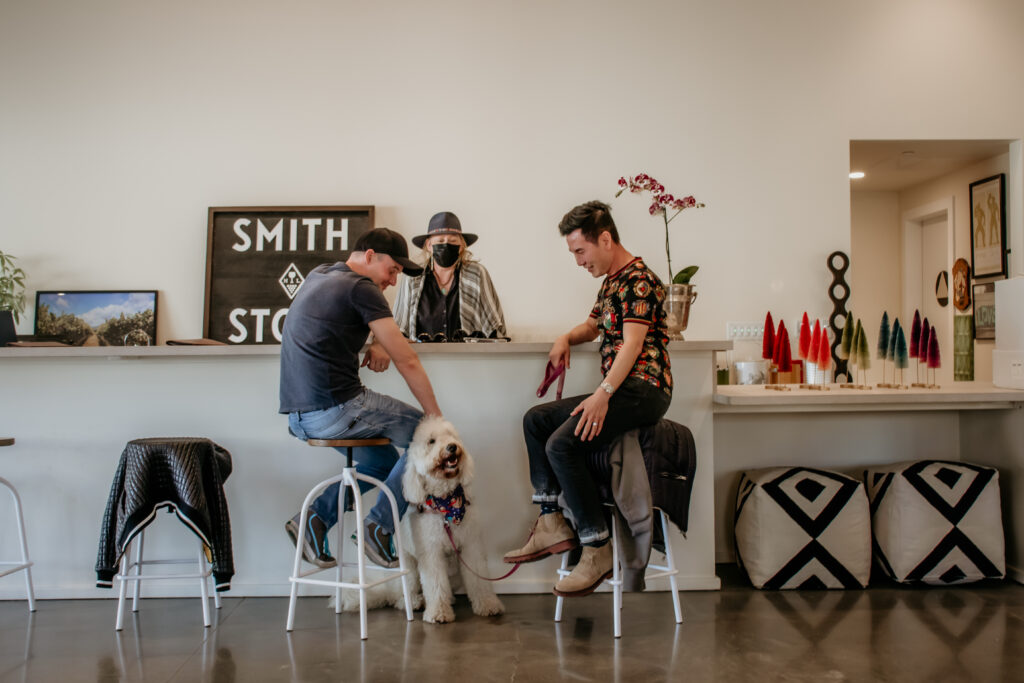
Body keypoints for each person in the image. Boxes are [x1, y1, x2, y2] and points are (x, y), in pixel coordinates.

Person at [502, 200, 673, 597]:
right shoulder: (611, 282)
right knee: (536, 420)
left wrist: (602, 394)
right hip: (620, 388)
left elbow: (632, 346)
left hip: (645, 390)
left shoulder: (640, 280)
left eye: (580, 251)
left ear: (606, 239)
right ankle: (551, 523)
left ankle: (596, 546)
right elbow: (593, 327)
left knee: (561, 445)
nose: (578, 261)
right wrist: (565, 337)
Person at [279, 228, 443, 570]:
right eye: (393, 270)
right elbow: (408, 360)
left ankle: (314, 520)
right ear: (370, 256)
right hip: (337, 407)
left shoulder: (320, 275)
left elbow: (363, 325)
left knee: (381, 464)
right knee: (428, 441)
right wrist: (437, 423)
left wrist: (377, 341)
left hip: (300, 417)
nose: (394, 281)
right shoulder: (361, 288)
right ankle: (380, 527)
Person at [392, 211, 507, 341]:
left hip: (468, 356)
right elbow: (399, 326)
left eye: (452, 241)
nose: (446, 245)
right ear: (429, 245)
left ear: (461, 246)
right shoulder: (413, 276)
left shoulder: (477, 274)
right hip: (422, 357)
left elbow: (493, 325)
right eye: (440, 240)